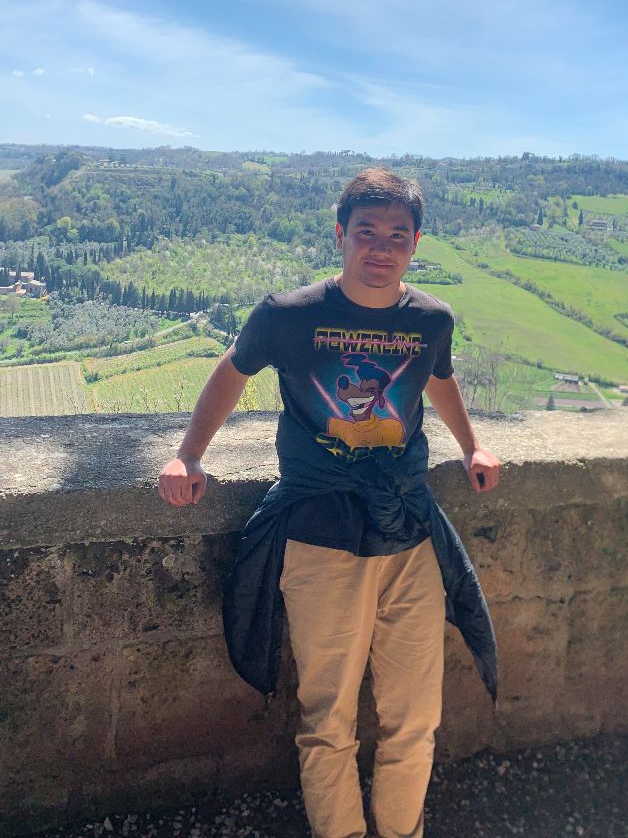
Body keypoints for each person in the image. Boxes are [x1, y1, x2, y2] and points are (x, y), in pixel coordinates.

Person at [158, 168, 501, 838]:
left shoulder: (431, 319)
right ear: (340, 235)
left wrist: (472, 447)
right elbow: (231, 372)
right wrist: (188, 454)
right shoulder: (289, 316)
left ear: (416, 243)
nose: (381, 247)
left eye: (396, 236)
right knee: (328, 720)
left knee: (416, 718)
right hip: (320, 534)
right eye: (366, 233)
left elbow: (440, 378)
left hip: (408, 532)